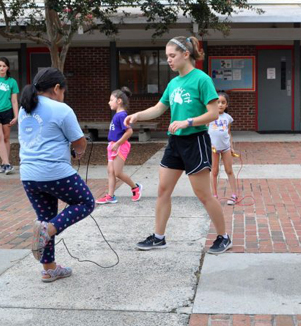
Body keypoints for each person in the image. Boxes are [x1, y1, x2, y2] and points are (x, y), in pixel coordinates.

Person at [125, 36, 232, 254]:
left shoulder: (201, 80)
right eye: (167, 57)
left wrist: (188, 121)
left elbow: (213, 113)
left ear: (186, 54)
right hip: (175, 142)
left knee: (203, 195)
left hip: (196, 141)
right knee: (163, 190)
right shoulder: (173, 83)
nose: (169, 60)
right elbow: (158, 108)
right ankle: (158, 237)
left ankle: (223, 236)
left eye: (172, 56)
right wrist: (137, 115)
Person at [19, 68, 95, 282]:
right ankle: (48, 230)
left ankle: (49, 269)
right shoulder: (62, 109)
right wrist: (78, 152)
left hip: (28, 174)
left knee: (44, 217)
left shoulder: (24, 108)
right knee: (86, 202)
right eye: (64, 91)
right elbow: (79, 142)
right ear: (56, 88)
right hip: (54, 171)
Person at [96, 87, 143, 204]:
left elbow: (129, 131)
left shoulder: (122, 115)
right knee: (110, 172)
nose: (109, 102)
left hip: (120, 146)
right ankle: (110, 196)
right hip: (112, 145)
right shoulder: (117, 115)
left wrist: (117, 144)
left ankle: (135, 187)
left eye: (111, 100)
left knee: (117, 172)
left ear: (119, 101)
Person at [209, 91, 239, 205]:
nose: (220, 104)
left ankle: (234, 195)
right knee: (214, 171)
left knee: (229, 170)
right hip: (213, 149)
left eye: (223, 102)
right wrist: (209, 145)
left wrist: (231, 147)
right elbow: (205, 133)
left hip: (226, 148)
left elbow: (229, 133)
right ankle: (214, 195)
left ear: (227, 105)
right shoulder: (210, 117)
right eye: (218, 102)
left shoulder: (228, 118)